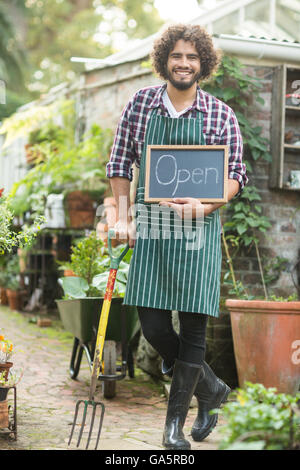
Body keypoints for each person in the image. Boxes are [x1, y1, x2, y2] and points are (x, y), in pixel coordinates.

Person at [106, 23, 248, 450]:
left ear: (202, 64)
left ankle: (173, 427)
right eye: (177, 56)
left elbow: (236, 175)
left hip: (198, 231)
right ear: (164, 59)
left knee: (192, 330)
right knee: (152, 326)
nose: (184, 64)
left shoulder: (220, 113)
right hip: (153, 226)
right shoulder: (142, 103)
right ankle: (211, 388)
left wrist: (204, 206)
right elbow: (119, 163)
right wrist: (123, 216)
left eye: (192, 57)